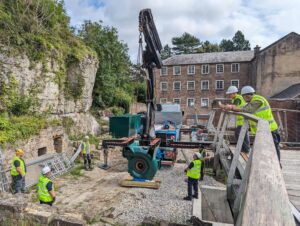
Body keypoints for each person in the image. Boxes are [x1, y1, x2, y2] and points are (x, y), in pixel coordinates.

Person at [220, 86, 280, 162]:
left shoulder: (258, 100)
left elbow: (247, 109)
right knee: (263, 149)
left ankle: (277, 165)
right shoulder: (252, 101)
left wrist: (231, 107)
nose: (243, 99)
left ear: (247, 96)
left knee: (274, 148)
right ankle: (268, 164)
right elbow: (244, 107)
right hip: (263, 130)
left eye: (244, 97)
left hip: (270, 129)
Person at [224, 86, 250, 153]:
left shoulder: (237, 98)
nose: (229, 96)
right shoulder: (236, 99)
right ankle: (245, 149)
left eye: (230, 94)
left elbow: (234, 107)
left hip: (243, 120)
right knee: (243, 134)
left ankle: (245, 149)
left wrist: (226, 107)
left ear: (234, 93)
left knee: (239, 134)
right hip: (242, 120)